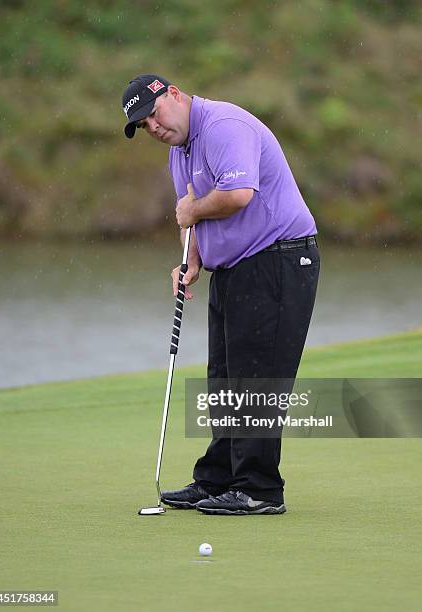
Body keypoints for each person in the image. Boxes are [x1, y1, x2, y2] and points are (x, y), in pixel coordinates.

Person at [122, 74, 320, 515]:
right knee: (225, 379)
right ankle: (218, 478)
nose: (152, 127)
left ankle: (260, 489)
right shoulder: (181, 150)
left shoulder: (224, 126)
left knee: (256, 378)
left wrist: (191, 210)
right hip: (235, 268)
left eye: (153, 114)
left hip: (279, 259)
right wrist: (190, 261)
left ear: (173, 94)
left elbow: (236, 195)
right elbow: (192, 218)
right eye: (143, 125)